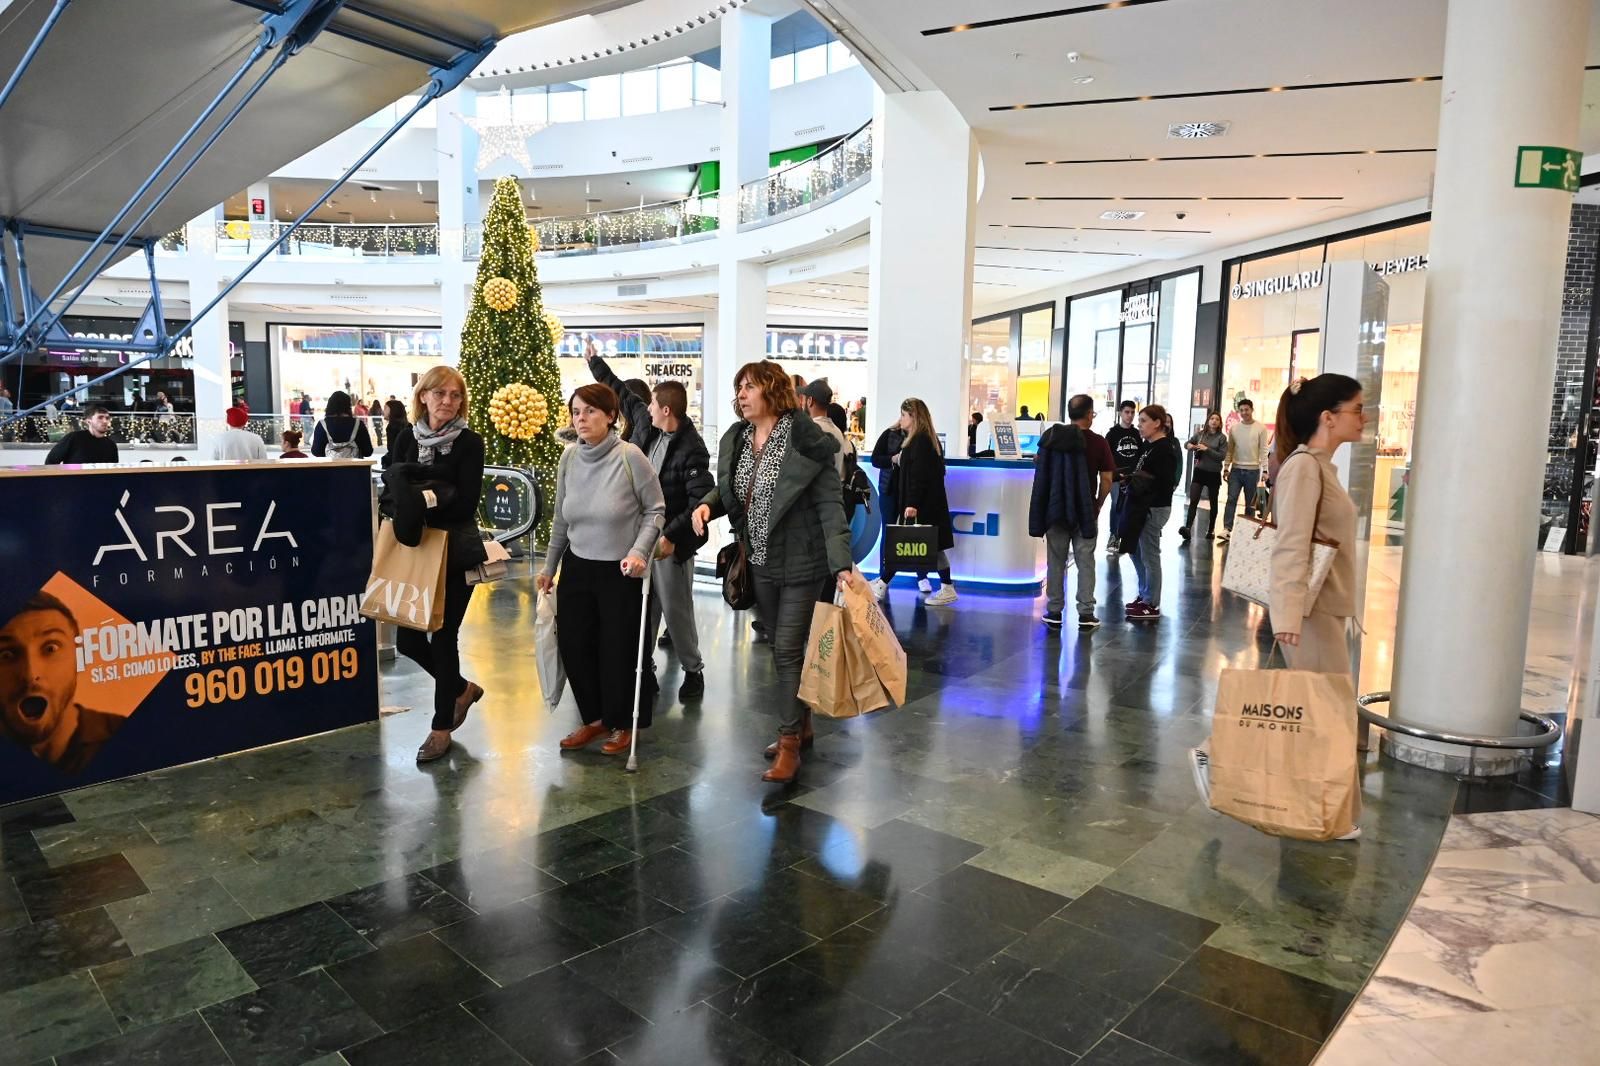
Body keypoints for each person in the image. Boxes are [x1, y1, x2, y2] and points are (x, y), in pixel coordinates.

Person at [1191, 374, 1366, 839]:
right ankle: (1220, 752)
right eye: (1356, 409)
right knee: (1324, 713)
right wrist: (1286, 615)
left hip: (1325, 608)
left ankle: (1330, 812)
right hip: (1309, 612)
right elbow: (1291, 545)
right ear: (1329, 418)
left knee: (1321, 713)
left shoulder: (1321, 466)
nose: (1364, 418)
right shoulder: (1305, 467)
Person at [691, 361, 852, 783]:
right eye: (738, 387)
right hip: (758, 558)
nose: (741, 394)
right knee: (786, 652)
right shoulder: (740, 439)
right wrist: (710, 504)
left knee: (785, 650)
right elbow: (735, 487)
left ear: (772, 391)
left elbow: (829, 506)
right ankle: (801, 722)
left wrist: (841, 565)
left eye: (750, 387)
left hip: (802, 561)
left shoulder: (804, 438)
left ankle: (788, 742)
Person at [538, 384, 665, 758]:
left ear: (612, 416)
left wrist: (641, 551)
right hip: (578, 565)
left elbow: (656, 509)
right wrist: (549, 567)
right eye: (576, 412)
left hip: (620, 569)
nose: (582, 419)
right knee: (575, 645)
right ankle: (593, 719)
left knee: (618, 650)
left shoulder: (630, 457)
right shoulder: (569, 460)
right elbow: (561, 518)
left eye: (591, 411)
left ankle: (624, 723)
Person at [585, 343, 713, 702]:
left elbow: (699, 500)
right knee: (642, 609)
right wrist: (596, 363)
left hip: (670, 543)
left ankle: (693, 670)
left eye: (654, 404)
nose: (648, 408)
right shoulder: (647, 427)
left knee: (675, 609)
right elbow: (625, 395)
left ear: (666, 410)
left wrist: (672, 537)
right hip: (639, 537)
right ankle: (645, 671)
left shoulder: (692, 448)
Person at [385, 367, 487, 763]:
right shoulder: (405, 438)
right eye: (439, 393)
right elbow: (391, 498)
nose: (448, 401)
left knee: (444, 638)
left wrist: (415, 489)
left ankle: (441, 726)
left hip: (454, 553)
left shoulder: (469, 443)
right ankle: (461, 689)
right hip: (413, 552)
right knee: (408, 640)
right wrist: (434, 486)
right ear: (422, 396)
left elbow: (464, 503)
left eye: (455, 395)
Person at [0, 592, 123, 774]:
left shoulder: (124, 733)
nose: (30, 674)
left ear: (79, 656)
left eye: (51, 648)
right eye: (7, 655)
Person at [1029, 393, 1114, 629]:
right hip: (1084, 510)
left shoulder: (1051, 439)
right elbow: (1107, 479)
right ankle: (1086, 613)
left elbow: (1041, 466)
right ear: (1089, 414)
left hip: (1055, 509)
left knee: (1055, 561)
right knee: (1085, 560)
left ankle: (1054, 611)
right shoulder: (1098, 442)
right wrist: (1097, 503)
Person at [1117, 404, 1179, 622]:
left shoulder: (1165, 449)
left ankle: (1151, 602)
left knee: (1149, 554)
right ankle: (1144, 594)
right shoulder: (1148, 445)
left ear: (1157, 423)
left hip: (1154, 507)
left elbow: (1164, 483)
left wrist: (1140, 482)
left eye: (1143, 420)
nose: (1139, 424)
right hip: (1139, 505)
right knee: (1135, 550)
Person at [895, 398, 958, 606]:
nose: (901, 419)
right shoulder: (926, 439)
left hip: (923, 505)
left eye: (904, 415)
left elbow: (918, 476)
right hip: (929, 504)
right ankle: (946, 587)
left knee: (928, 546)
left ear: (913, 417)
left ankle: (947, 587)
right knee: (932, 546)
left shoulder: (920, 441)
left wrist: (911, 503)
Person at [1219, 398, 1269, 542]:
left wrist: (1265, 470)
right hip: (1235, 470)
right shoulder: (1234, 429)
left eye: (1247, 409)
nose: (1244, 412)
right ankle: (1227, 529)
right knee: (1231, 499)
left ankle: (1248, 530)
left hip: (1253, 471)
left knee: (1250, 503)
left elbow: (1263, 451)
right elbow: (1230, 450)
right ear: (1238, 412)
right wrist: (1226, 468)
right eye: (1241, 410)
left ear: (1252, 410)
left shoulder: (1261, 428)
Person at [868, 419, 906, 599]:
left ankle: (922, 575)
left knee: (914, 534)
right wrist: (892, 459)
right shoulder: (889, 434)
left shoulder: (921, 437)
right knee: (888, 532)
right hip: (889, 490)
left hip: (909, 493)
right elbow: (875, 459)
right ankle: (883, 576)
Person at [1181, 413, 1227, 541]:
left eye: (1217, 419)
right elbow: (1187, 443)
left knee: (1213, 501)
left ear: (1219, 423)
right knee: (1194, 500)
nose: (1214, 421)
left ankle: (1211, 529)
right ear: (1208, 421)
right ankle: (1188, 528)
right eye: (1212, 419)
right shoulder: (1200, 434)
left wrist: (1207, 449)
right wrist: (1190, 446)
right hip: (1199, 471)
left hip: (1213, 473)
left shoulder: (1221, 438)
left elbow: (1221, 456)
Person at [1104, 400, 1141, 553]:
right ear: (1120, 413)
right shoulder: (1112, 433)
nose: (1130, 415)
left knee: (1130, 505)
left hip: (1133, 476)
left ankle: (1127, 535)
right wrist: (1112, 473)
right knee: (1116, 504)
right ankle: (1114, 535)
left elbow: (1140, 454)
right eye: (1127, 412)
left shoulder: (1137, 434)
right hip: (1116, 476)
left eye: (1132, 412)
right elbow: (1106, 456)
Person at [799, 380, 851, 479]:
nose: (802, 403)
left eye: (804, 399)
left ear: (810, 401)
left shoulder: (810, 431)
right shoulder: (837, 431)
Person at [44, 405, 118, 465]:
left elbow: (113, 469)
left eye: (107, 418)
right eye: (100, 417)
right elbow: (51, 461)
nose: (105, 421)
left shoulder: (111, 445)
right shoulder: (74, 438)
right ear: (88, 421)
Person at [313, 390, 374, 460]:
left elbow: (316, 452)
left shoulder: (322, 425)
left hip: (329, 469)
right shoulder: (358, 424)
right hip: (355, 469)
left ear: (329, 406)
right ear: (348, 406)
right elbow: (368, 452)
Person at [381, 399, 409, 467]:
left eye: (385, 408)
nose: (383, 411)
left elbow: (392, 450)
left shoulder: (391, 428)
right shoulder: (408, 426)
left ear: (393, 410)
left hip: (397, 466)